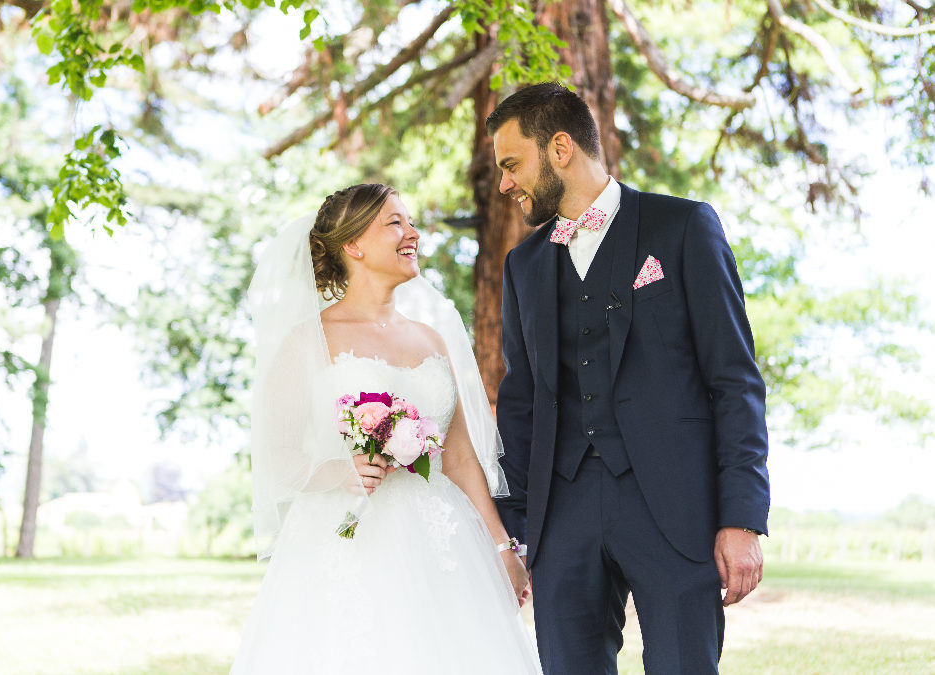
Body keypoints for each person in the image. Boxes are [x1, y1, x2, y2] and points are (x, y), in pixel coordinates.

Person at [490, 83, 770, 674]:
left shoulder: (685, 227)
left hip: (675, 507)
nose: (505, 184)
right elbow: (521, 404)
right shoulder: (524, 264)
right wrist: (519, 532)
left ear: (560, 148)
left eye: (512, 164)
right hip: (561, 517)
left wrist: (741, 517)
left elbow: (734, 379)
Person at [231, 183, 542, 674]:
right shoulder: (307, 341)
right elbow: (278, 458)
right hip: (347, 540)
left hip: (443, 540)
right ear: (353, 244)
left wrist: (502, 548)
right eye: (395, 223)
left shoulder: (431, 338)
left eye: (411, 222)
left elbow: (459, 458)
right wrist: (342, 471)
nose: (412, 234)